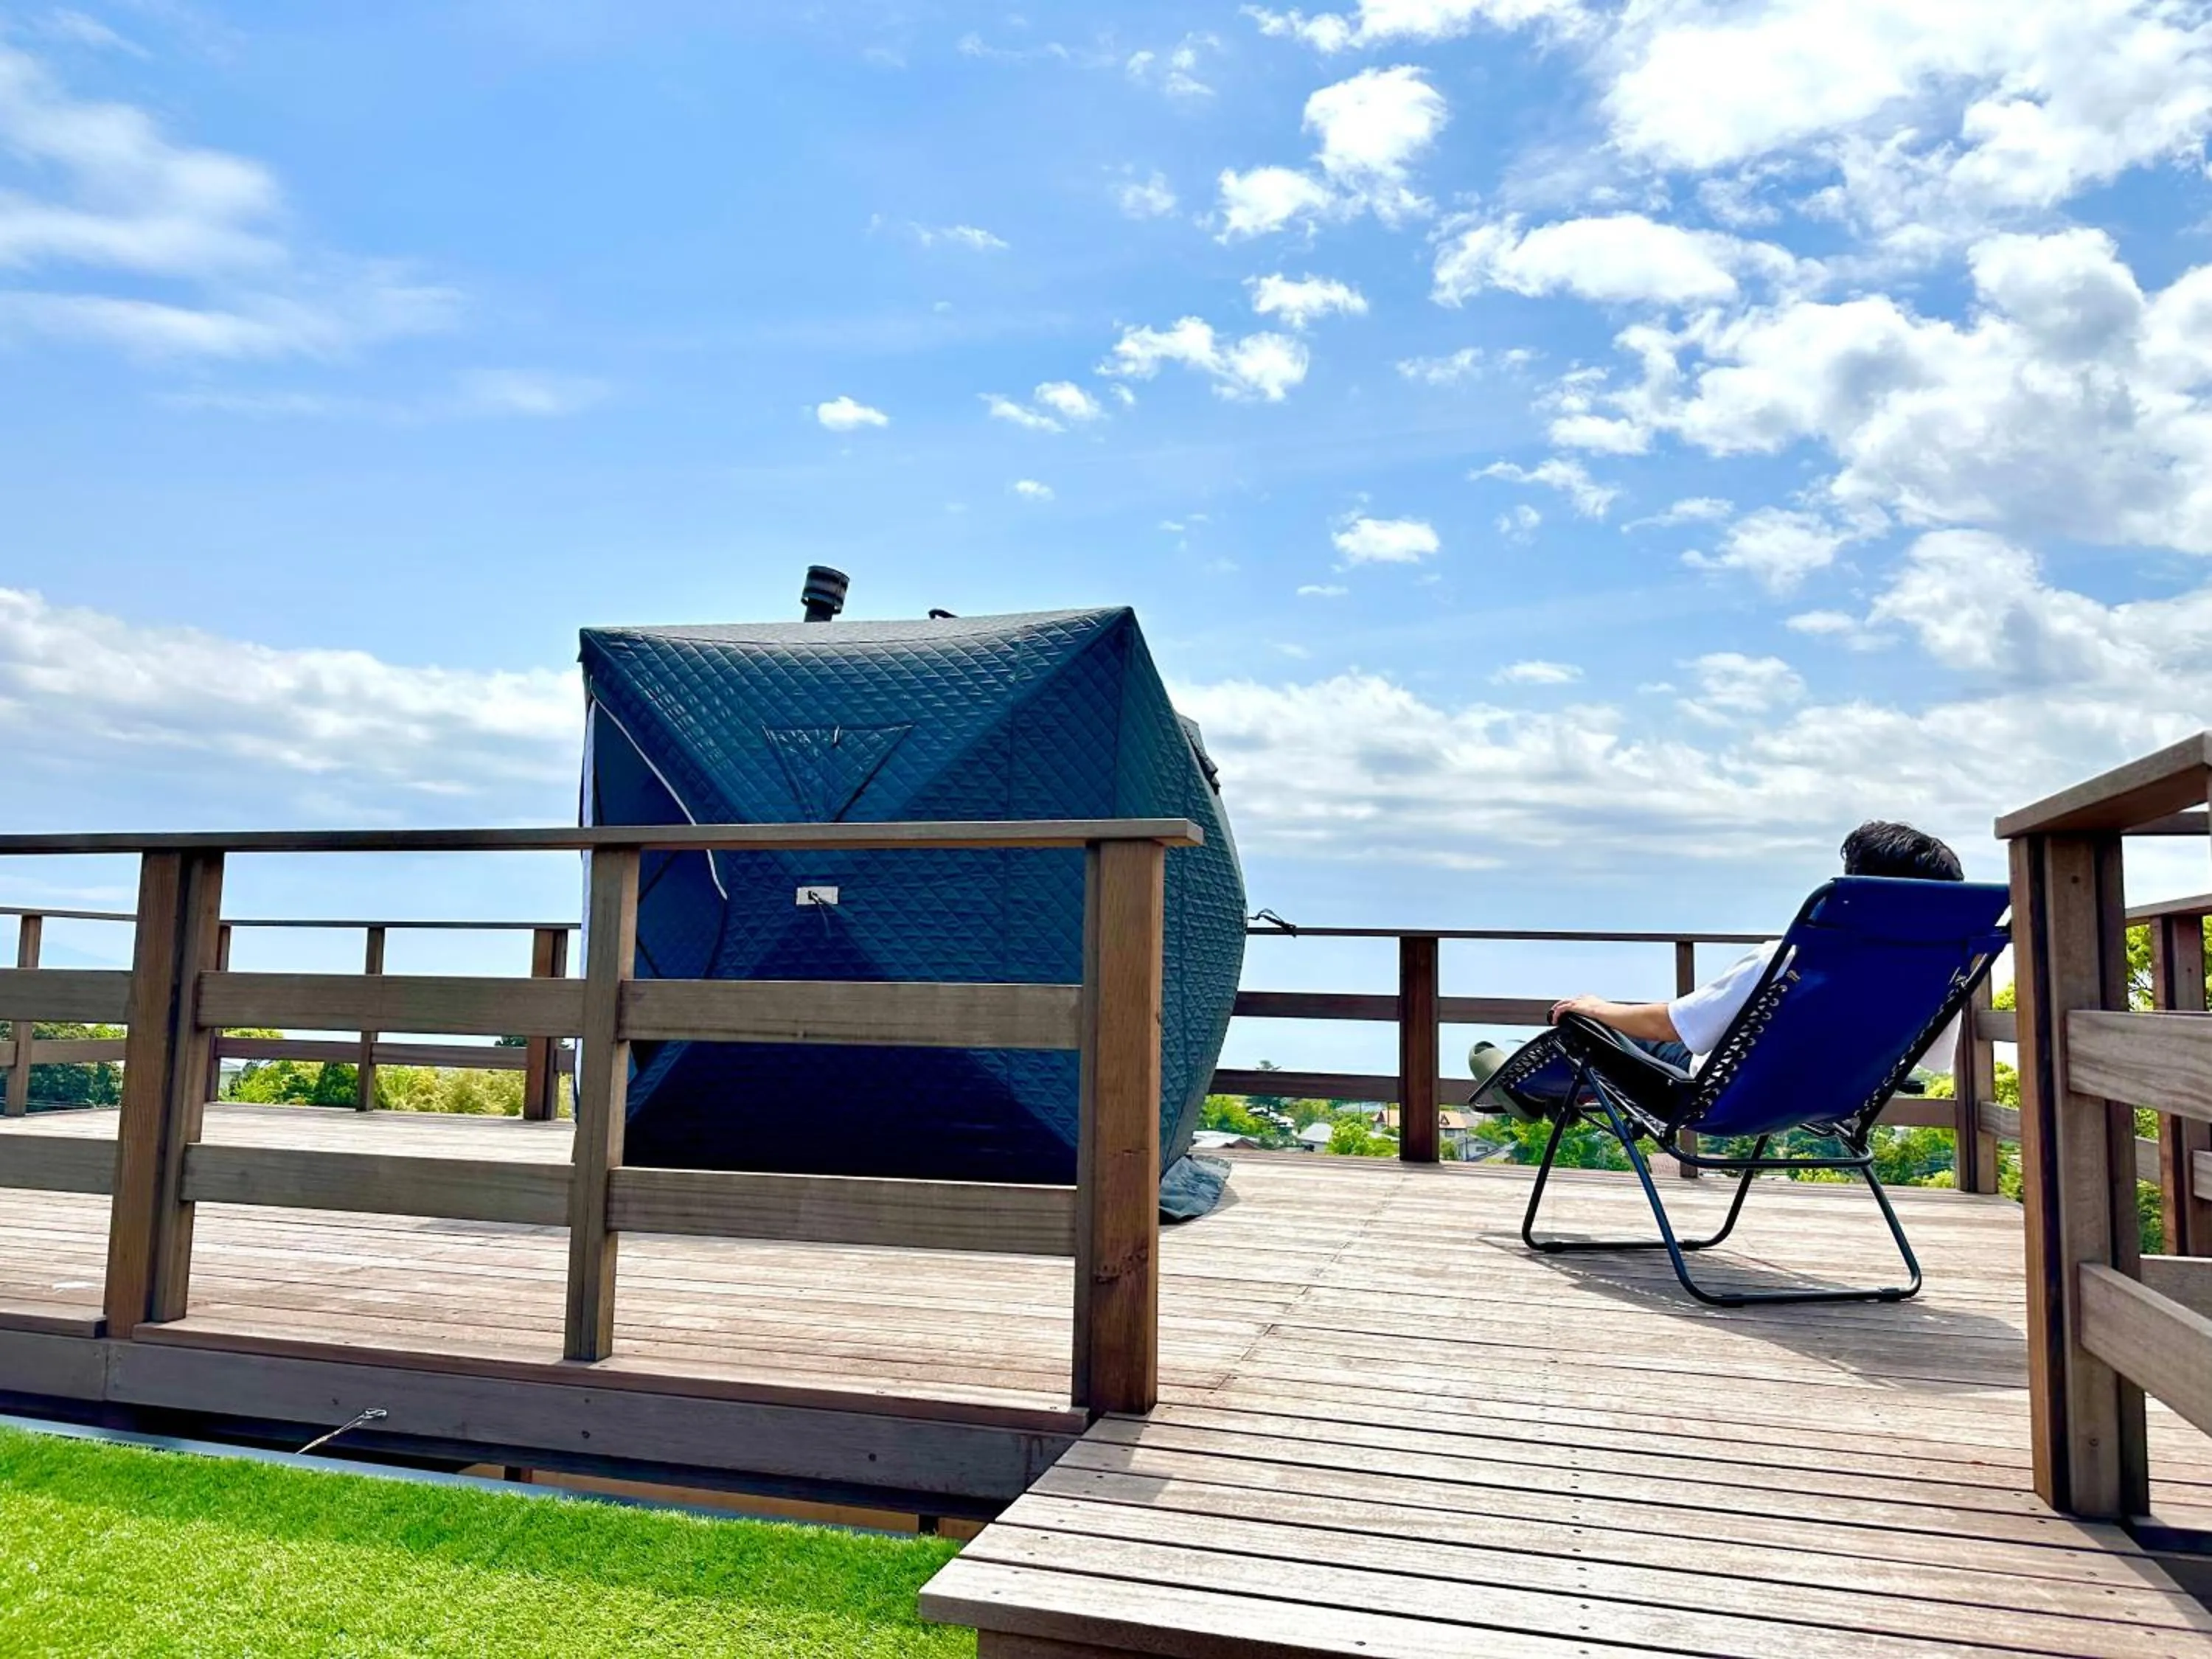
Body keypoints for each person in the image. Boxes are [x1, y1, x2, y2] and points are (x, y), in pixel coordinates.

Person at [1545, 821, 1966, 1073]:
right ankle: (1543, 1095)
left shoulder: (1792, 962)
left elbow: (1670, 1027)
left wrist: (1596, 1007)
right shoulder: (1941, 973)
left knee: (1585, 1030)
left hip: (1723, 1095)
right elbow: (1935, 1059)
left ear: (1855, 890)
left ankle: (1536, 1093)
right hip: (1834, 1096)